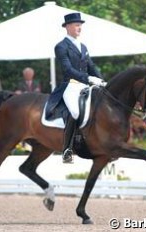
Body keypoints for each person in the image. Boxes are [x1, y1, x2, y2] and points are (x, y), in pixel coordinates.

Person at [47, 13, 106, 163]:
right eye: (76, 24)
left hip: (86, 85)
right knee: (74, 112)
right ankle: (67, 150)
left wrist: (102, 80)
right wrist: (88, 78)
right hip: (71, 86)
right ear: (67, 27)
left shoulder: (83, 46)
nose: (79, 27)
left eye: (80, 25)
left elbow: (91, 66)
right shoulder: (61, 46)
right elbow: (67, 69)